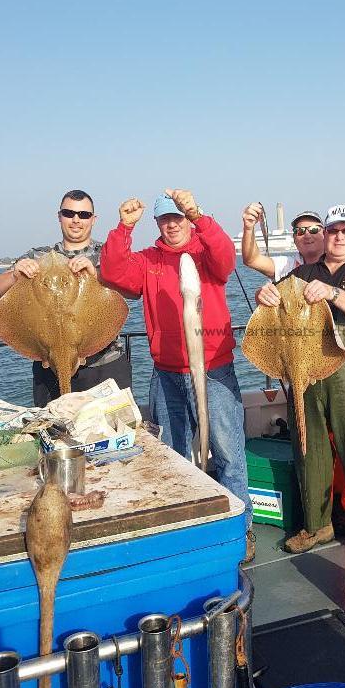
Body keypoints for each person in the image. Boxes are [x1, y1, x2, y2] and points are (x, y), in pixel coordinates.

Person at [99, 190, 255, 562]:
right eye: (165, 219)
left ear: (187, 219)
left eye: (178, 218)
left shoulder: (205, 252)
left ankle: (241, 530)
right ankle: (186, 526)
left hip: (214, 369)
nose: (172, 224)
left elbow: (224, 257)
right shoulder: (149, 261)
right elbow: (112, 272)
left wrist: (199, 213)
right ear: (157, 224)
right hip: (166, 371)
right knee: (173, 454)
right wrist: (123, 227)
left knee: (228, 452)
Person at [260, 204, 345, 553]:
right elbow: (277, 305)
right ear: (325, 234)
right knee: (308, 447)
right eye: (333, 230)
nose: (340, 236)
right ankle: (317, 526)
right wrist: (266, 295)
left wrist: (333, 293)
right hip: (306, 370)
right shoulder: (305, 270)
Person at [0, 189, 132, 407]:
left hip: (105, 365)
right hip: (49, 363)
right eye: (69, 213)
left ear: (93, 219)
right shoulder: (37, 257)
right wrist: (17, 273)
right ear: (59, 216)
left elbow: (132, 291)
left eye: (83, 215)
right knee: (57, 434)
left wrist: (96, 275)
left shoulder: (107, 254)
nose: (76, 220)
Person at [242, 204, 325, 280]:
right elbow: (252, 260)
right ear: (294, 239)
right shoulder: (287, 265)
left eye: (314, 229)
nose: (307, 235)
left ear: (325, 233)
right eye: (300, 231)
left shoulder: (336, 263)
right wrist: (248, 228)